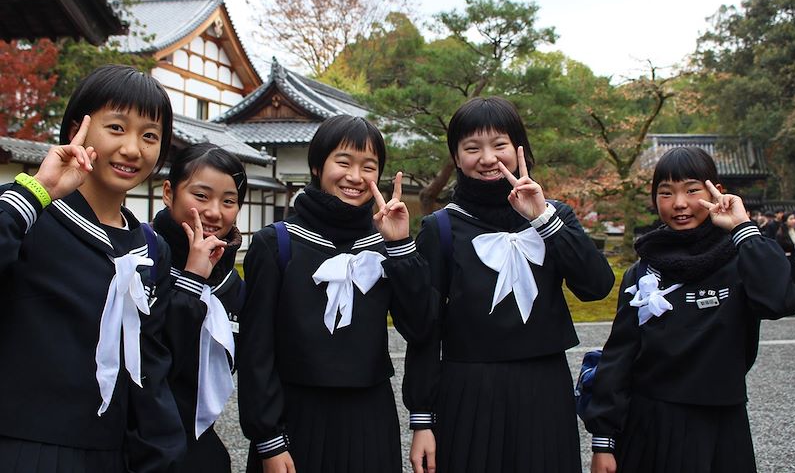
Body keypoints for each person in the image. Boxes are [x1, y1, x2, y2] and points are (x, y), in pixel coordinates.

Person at [404, 96, 615, 473]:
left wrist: (543, 220)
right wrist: (422, 418)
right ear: (456, 157)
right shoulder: (441, 228)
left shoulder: (555, 214)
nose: (487, 158)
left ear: (520, 149)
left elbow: (596, 286)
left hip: (544, 387)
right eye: (472, 147)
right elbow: (424, 329)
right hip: (467, 390)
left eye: (499, 144)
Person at [0, 64, 186, 472]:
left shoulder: (152, 249)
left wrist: (162, 457)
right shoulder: (30, 215)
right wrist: (35, 193)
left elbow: (150, 369)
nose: (133, 149)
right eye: (116, 128)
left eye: (150, 136)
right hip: (25, 450)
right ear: (75, 132)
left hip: (111, 456)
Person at [238, 114, 436, 473]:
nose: (355, 177)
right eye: (343, 162)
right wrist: (267, 438)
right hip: (296, 419)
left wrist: (402, 246)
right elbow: (256, 351)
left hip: (369, 418)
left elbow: (422, 327)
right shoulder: (277, 244)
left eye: (369, 166)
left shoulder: (384, 245)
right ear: (317, 165)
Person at [584, 146, 795, 473]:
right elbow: (619, 356)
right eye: (666, 193)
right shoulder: (644, 272)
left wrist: (742, 227)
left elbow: (779, 300)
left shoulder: (741, 259)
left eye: (692, 190)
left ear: (716, 192)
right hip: (651, 423)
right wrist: (603, 439)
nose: (680, 204)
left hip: (722, 422)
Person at [153, 143, 248, 472]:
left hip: (202, 449)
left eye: (229, 201)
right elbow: (156, 360)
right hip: (142, 444)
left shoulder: (234, 285)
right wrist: (192, 278)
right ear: (169, 193)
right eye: (201, 195)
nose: (214, 212)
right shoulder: (140, 259)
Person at [776, 212, 795, 286]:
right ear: (785, 221)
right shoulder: (781, 233)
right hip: (787, 259)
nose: (794, 221)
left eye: (794, 218)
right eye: (791, 219)